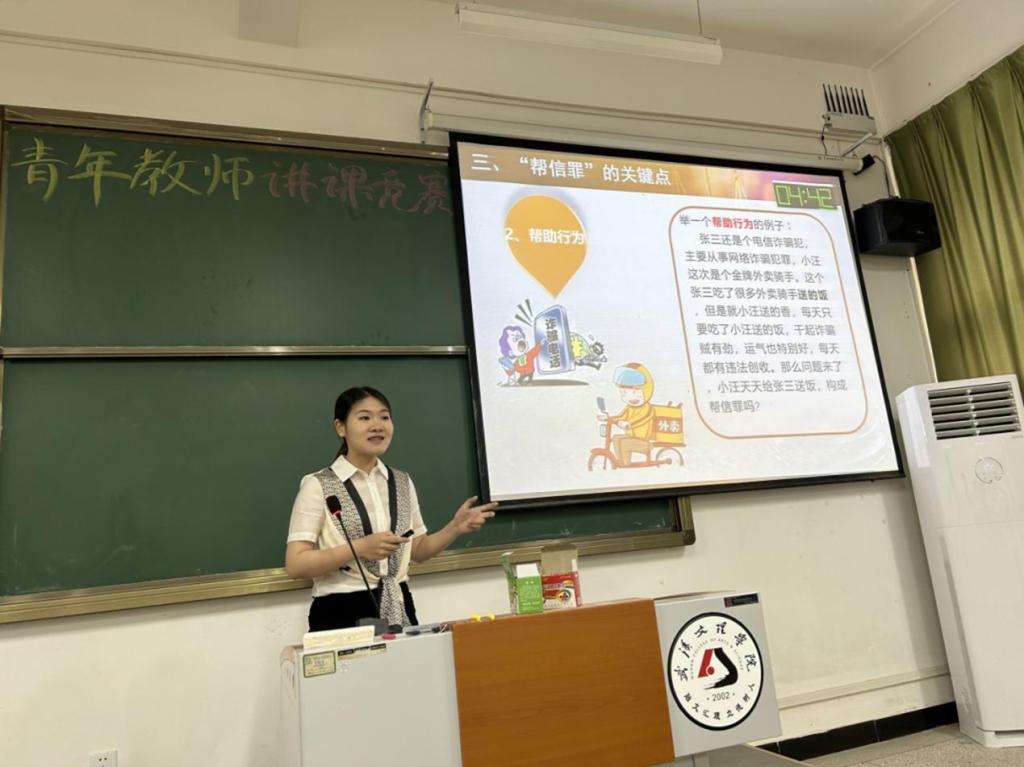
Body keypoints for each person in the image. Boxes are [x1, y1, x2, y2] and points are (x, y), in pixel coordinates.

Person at [285, 386, 497, 632]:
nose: (377, 426)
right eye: (365, 418)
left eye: (384, 417)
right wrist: (358, 548)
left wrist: (454, 528)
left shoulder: (401, 482)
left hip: (400, 602)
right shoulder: (318, 485)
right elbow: (296, 564)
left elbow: (418, 550)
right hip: (340, 609)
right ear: (340, 427)